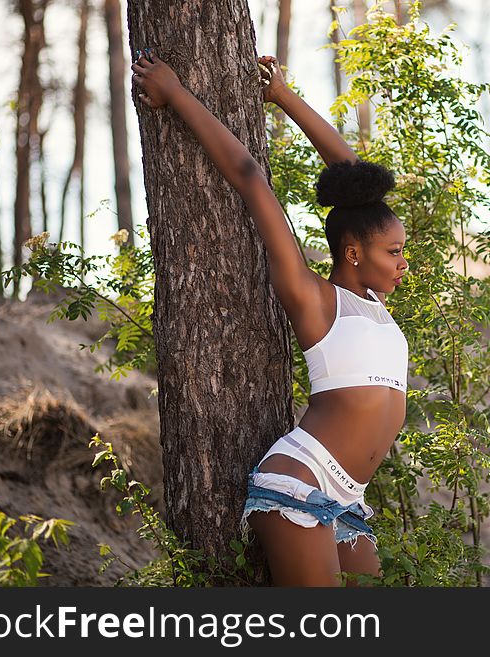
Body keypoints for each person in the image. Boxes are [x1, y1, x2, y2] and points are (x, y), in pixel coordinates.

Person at [131, 49, 410, 586]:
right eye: (393, 252)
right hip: (299, 484)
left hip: (348, 500)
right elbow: (250, 177)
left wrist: (283, 97)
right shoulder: (314, 299)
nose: (403, 262)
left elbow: (355, 178)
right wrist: (176, 93)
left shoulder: (375, 308)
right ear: (353, 253)